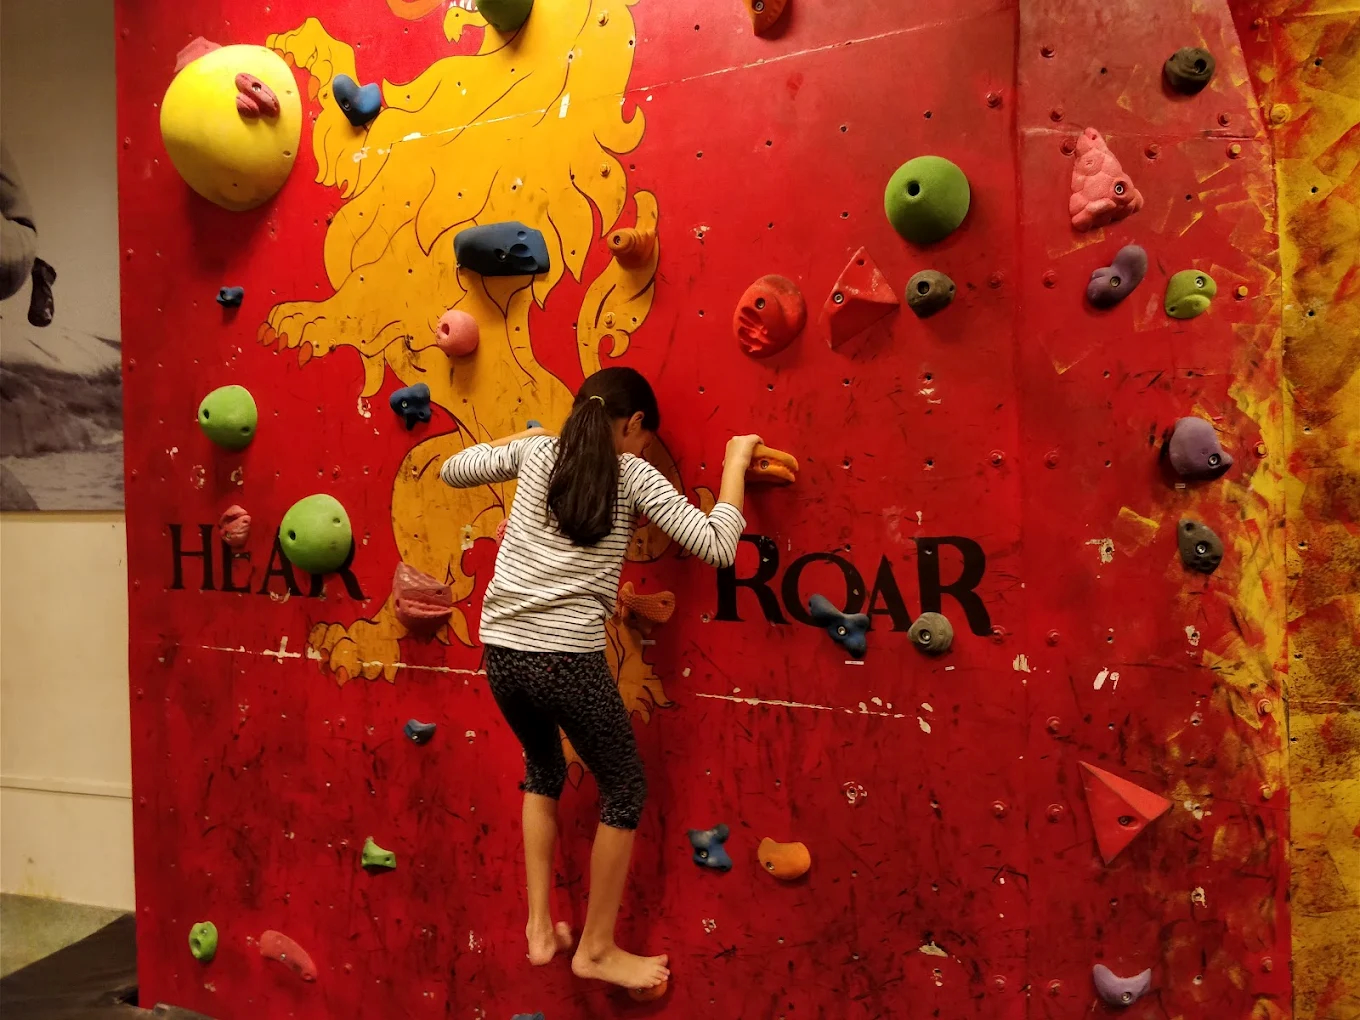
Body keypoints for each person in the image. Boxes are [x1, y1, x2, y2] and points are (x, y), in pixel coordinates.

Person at [441, 366, 761, 993]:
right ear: (635, 424)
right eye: (645, 437)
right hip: (565, 659)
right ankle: (596, 947)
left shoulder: (537, 452)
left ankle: (540, 930)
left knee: (543, 769)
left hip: (501, 652)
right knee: (624, 790)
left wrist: (520, 444)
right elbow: (719, 546)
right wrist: (735, 461)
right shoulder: (634, 473)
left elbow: (454, 471)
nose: (644, 449)